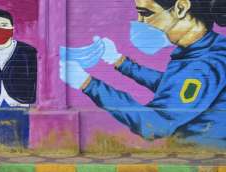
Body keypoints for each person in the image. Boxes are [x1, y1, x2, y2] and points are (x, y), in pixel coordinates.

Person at [60, 0, 226, 148]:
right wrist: (119, 61)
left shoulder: (201, 67)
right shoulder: (208, 48)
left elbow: (155, 125)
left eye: (146, 13)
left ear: (181, 8)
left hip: (198, 147)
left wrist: (88, 84)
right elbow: (172, 86)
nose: (140, 22)